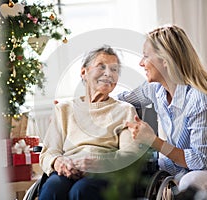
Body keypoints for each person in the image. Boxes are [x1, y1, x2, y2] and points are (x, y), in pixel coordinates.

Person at [118, 24, 207, 199]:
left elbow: (200, 160)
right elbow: (122, 99)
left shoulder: (202, 100)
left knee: (190, 184)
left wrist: (153, 140)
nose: (141, 63)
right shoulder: (155, 89)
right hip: (188, 166)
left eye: (146, 56)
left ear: (165, 61)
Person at [39, 45, 144, 200]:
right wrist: (58, 162)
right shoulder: (64, 109)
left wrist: (100, 164)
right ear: (84, 72)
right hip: (68, 169)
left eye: (114, 70)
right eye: (101, 67)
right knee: (53, 188)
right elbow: (48, 152)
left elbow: (129, 155)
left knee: (81, 191)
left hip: (105, 174)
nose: (108, 73)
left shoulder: (125, 110)